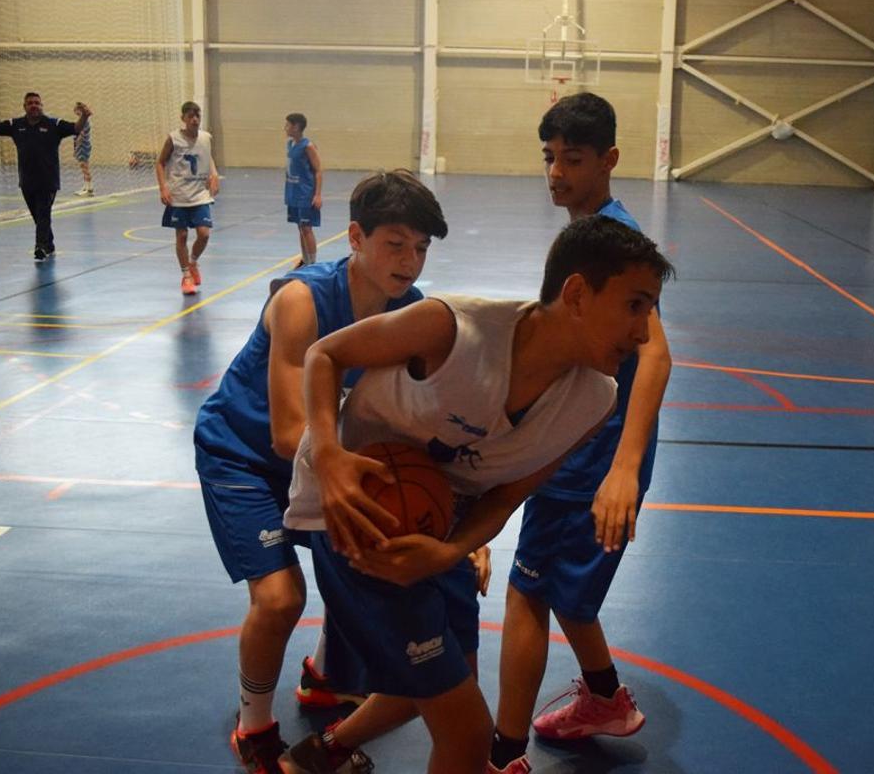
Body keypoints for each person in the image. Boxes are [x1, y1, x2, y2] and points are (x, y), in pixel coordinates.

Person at [278, 215, 674, 774]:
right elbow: (325, 355)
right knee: (466, 734)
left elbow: (508, 494)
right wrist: (329, 456)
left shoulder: (595, 401)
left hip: (437, 532)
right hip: (359, 518)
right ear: (578, 293)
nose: (644, 333)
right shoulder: (454, 328)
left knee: (441, 687)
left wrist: (450, 549)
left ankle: (315, 758)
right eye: (635, 306)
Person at [194, 170, 450, 774]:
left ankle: (323, 676)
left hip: (322, 453)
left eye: (421, 248)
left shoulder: (410, 311)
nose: (410, 261)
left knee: (371, 553)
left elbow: (411, 417)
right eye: (395, 243)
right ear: (356, 237)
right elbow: (288, 436)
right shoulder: (301, 300)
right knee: (281, 599)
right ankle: (254, 727)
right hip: (246, 455)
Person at [488, 92, 672, 774]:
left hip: (592, 450)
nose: (557, 172)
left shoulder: (616, 241)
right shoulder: (591, 231)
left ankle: (503, 756)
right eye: (550, 157)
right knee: (564, 586)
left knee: (528, 589)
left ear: (610, 160)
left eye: (573, 157)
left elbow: (655, 352)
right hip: (577, 440)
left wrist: (622, 467)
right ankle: (605, 698)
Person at [0, 92, 90, 260]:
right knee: (38, 216)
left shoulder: (54, 124)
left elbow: (76, 128)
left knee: (43, 213)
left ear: (42, 106)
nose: (34, 105)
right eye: (30, 103)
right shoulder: (16, 125)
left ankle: (40, 248)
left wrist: (84, 115)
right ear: (24, 106)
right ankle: (50, 244)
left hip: (48, 180)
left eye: (37, 103)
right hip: (27, 181)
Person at [155, 101, 219, 296]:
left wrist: (214, 174)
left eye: (197, 116)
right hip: (179, 195)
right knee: (181, 236)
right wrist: (163, 187)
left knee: (204, 234)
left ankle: (193, 262)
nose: (194, 120)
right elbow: (160, 162)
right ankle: (186, 276)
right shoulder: (173, 139)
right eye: (190, 116)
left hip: (200, 194)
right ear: (183, 118)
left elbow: (207, 157)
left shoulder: (206, 138)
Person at [285, 113, 323, 266]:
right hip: (293, 192)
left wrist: (318, 194)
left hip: (305, 193)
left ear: (296, 127)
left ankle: (312, 263)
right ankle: (305, 260)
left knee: (307, 228)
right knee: (300, 228)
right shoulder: (289, 143)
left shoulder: (308, 146)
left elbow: (319, 170)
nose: (285, 128)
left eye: (287, 125)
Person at [73, 103, 93, 196]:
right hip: (84, 146)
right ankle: (86, 187)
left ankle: (89, 189)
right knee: (84, 167)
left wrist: (76, 146)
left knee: (84, 167)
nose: (75, 112)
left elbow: (81, 135)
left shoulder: (84, 122)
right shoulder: (84, 121)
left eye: (76, 110)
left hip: (82, 146)